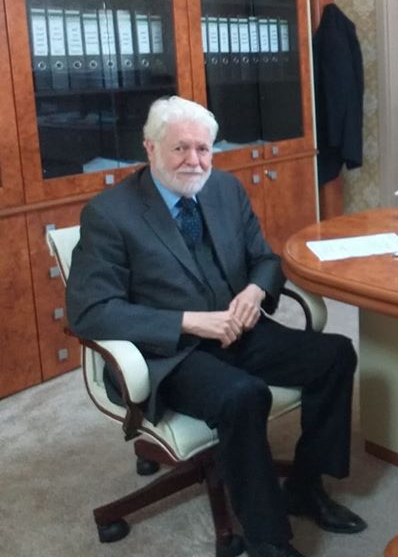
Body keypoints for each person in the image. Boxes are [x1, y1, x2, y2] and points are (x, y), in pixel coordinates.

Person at [67, 96, 365, 557]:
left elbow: (265, 259)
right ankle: (268, 540)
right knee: (244, 396)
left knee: (335, 354)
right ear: (150, 147)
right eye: (180, 148)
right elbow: (91, 311)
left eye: (203, 148)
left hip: (237, 330)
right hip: (170, 354)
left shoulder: (224, 188)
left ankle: (305, 487)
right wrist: (189, 322)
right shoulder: (110, 213)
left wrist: (255, 292)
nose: (194, 160)